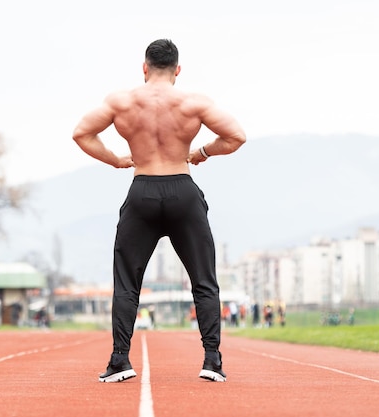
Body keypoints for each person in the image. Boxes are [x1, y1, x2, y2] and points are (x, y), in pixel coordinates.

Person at [72, 39, 246, 383]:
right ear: (178, 70)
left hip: (142, 191)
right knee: (204, 282)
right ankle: (212, 360)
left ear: (144, 67)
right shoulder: (193, 102)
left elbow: (82, 133)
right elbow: (236, 136)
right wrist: (204, 152)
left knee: (127, 282)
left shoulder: (121, 101)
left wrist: (117, 160)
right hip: (182, 190)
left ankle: (120, 359)